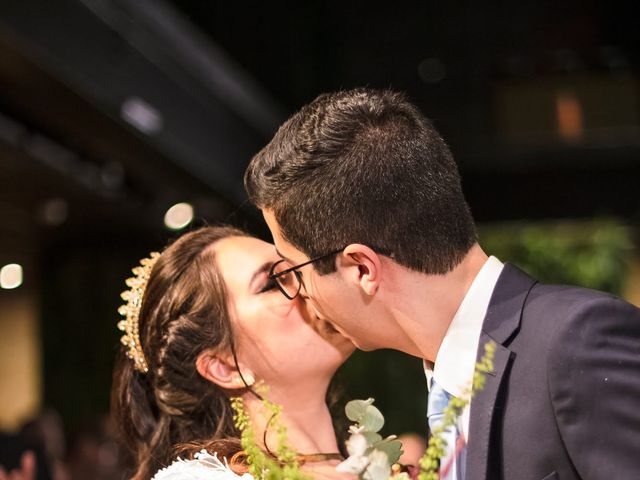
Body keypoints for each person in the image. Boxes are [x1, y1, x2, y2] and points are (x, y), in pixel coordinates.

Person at [244, 88, 640, 479]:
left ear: (361, 268)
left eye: (295, 270)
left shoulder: (575, 341)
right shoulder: (448, 382)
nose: (301, 293)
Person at [110, 226, 354, 480]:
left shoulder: (377, 465)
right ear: (225, 368)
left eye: (297, 267)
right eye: (272, 283)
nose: (309, 284)